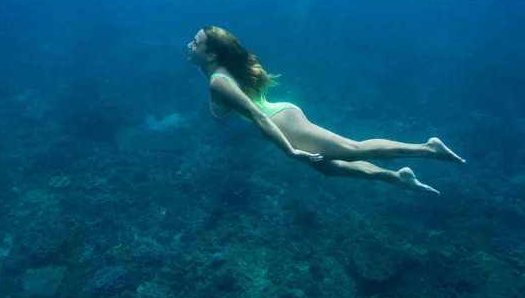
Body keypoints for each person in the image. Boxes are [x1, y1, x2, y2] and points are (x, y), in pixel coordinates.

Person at [187, 26, 466, 195]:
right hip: (279, 120)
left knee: (352, 148)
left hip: (280, 124)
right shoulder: (215, 71)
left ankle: (428, 148)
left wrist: (290, 151)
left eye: (196, 42)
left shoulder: (217, 81)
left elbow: (258, 117)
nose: (190, 45)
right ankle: (397, 177)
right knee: (329, 168)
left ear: (212, 55)